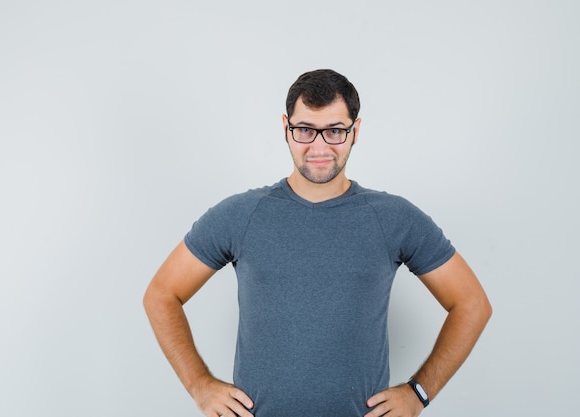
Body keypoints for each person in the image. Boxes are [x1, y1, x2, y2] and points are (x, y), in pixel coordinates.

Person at [143, 69, 492, 417]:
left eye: (335, 131)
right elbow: (161, 294)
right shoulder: (242, 215)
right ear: (286, 128)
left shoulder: (393, 218)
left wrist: (418, 393)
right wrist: (199, 385)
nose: (319, 146)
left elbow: (471, 304)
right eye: (306, 129)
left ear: (355, 131)